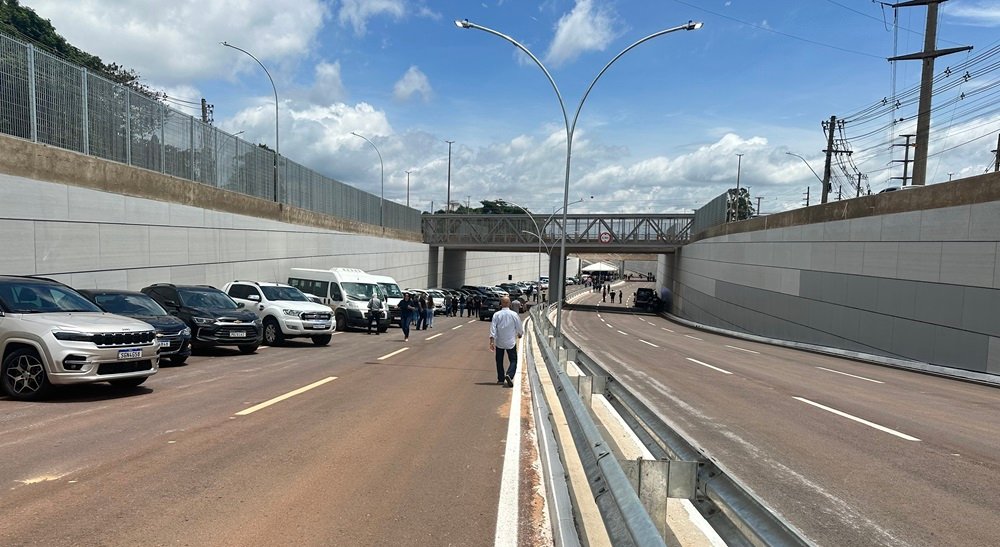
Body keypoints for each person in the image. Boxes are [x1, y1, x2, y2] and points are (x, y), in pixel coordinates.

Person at [489, 296, 524, 387]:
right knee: (513, 360)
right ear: (509, 303)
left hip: (499, 341)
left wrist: (491, 341)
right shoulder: (514, 314)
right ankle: (509, 374)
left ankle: (500, 379)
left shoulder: (496, 315)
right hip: (510, 342)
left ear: (501, 303)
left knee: (499, 361)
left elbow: (493, 328)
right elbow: (519, 326)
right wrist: (520, 333)